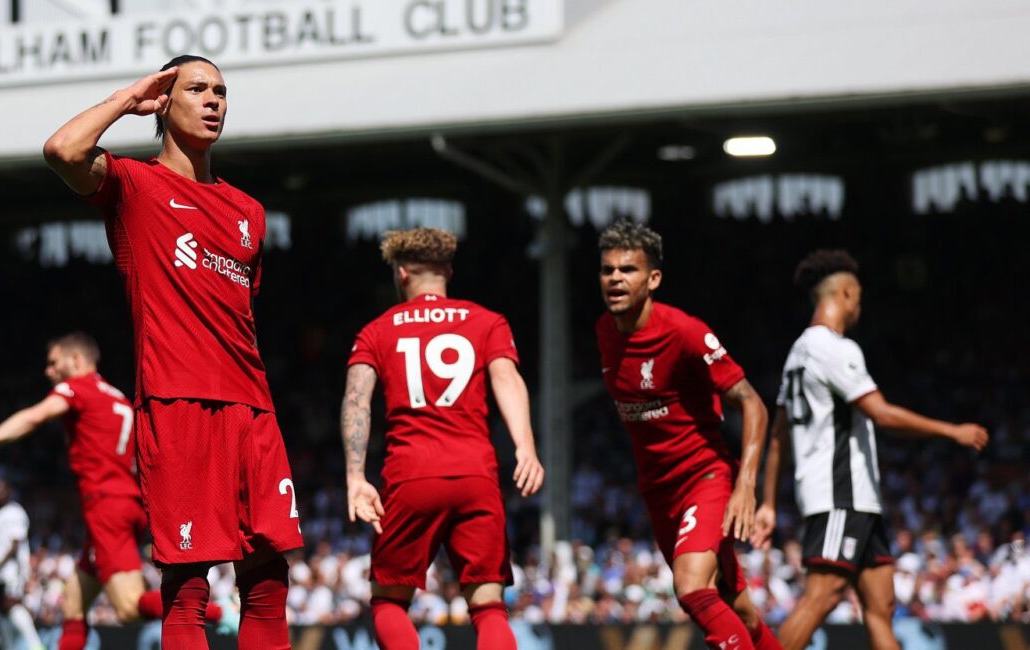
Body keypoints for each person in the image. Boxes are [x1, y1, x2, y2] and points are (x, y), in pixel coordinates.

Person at [43, 53, 302, 649]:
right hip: (176, 400)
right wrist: (127, 99)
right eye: (196, 89)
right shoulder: (135, 185)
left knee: (269, 578)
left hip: (253, 407)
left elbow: (242, 317)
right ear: (164, 101)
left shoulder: (249, 212)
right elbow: (62, 151)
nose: (213, 100)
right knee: (186, 588)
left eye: (221, 91)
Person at [752, 249, 989, 650]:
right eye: (858, 297)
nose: (859, 306)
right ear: (845, 293)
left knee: (880, 606)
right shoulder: (834, 348)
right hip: (839, 495)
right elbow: (880, 413)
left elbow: (778, 438)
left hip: (857, 499)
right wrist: (952, 431)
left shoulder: (797, 354)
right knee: (823, 595)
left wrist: (769, 503)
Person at [0, 332, 233, 650]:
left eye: (54, 363)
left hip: (106, 507)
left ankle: (221, 612)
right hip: (124, 503)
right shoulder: (118, 399)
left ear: (76, 360)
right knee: (74, 601)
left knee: (128, 608)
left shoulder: (78, 388)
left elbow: (35, 416)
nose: (48, 371)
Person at [340, 228, 544, 650]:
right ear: (448, 271)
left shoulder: (376, 331)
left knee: (388, 602)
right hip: (476, 474)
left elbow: (356, 399)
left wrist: (355, 476)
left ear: (401, 274)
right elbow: (507, 378)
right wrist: (525, 446)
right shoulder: (487, 321)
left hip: (411, 474)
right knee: (489, 608)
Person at [592, 221, 780, 650]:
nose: (615, 278)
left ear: (653, 279)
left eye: (628, 270)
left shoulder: (685, 332)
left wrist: (745, 486)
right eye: (607, 270)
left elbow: (753, 402)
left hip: (705, 477)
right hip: (658, 491)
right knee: (739, 610)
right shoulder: (605, 331)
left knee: (692, 587)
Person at [0, 479, 45, 650]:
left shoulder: (16, 512)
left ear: (8, 491)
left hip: (12, 569)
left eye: (1, 490)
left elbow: (16, 544)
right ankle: (8, 646)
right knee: (0, 609)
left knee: (12, 605)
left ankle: (36, 645)